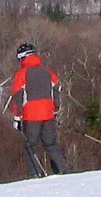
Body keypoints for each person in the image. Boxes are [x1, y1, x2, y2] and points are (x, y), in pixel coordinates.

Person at [8, 43, 67, 176]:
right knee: (51, 143)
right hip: (48, 114)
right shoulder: (48, 72)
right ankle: (62, 170)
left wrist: (17, 117)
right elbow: (56, 90)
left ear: (22, 58)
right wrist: (55, 109)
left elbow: (17, 97)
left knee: (30, 146)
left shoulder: (21, 74)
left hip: (31, 116)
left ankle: (36, 173)